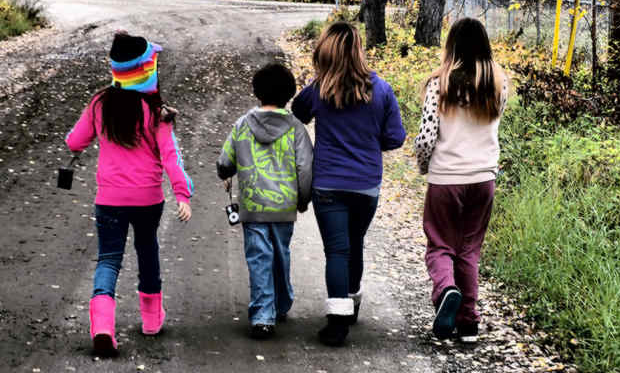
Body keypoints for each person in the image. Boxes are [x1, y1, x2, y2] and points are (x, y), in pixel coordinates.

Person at [66, 32, 194, 356]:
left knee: (109, 259)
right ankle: (152, 321)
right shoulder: (157, 112)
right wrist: (182, 194)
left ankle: (103, 327)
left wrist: (83, 139)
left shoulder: (100, 103)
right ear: (146, 70)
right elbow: (171, 158)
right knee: (147, 251)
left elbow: (74, 141)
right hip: (148, 199)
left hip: (109, 199)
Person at [292, 22, 406, 347]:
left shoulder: (320, 90)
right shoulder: (381, 89)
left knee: (336, 251)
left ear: (326, 55)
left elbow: (297, 111)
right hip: (366, 184)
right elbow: (395, 137)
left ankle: (338, 321)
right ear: (359, 51)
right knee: (355, 243)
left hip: (328, 184)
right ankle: (351, 301)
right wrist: (370, 138)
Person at [415, 17, 508, 344]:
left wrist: (424, 167)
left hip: (446, 179)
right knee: (469, 249)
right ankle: (469, 323)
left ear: (451, 45)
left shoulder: (439, 84)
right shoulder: (499, 84)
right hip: (484, 178)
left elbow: (427, 137)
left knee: (440, 244)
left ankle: (446, 291)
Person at [216, 63, 313, 340]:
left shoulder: (243, 124)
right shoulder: (296, 129)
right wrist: (303, 199)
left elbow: (225, 160)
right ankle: (281, 303)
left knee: (260, 257)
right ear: (290, 93)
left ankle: (262, 316)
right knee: (280, 254)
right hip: (284, 207)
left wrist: (225, 172)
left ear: (257, 92)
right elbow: (305, 168)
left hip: (254, 205)